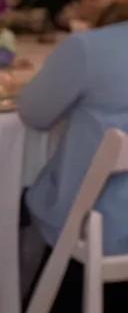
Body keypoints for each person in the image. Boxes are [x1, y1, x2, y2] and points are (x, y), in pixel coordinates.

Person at [18, 16, 128, 257]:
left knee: (15, 194)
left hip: (98, 227)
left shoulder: (89, 49)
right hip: (109, 224)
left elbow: (34, 113)